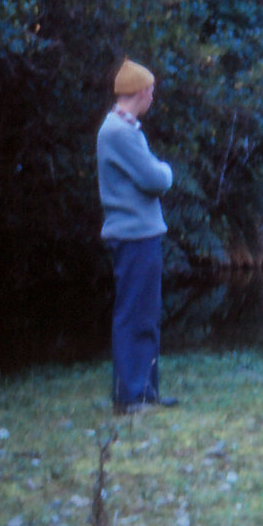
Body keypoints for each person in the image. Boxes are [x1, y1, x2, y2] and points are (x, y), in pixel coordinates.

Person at [97, 58, 176, 415]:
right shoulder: (119, 132)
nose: (153, 97)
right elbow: (155, 179)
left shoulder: (125, 129)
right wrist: (166, 169)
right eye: (152, 91)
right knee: (133, 315)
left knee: (146, 314)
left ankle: (145, 392)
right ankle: (130, 397)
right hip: (133, 237)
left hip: (139, 235)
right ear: (141, 92)